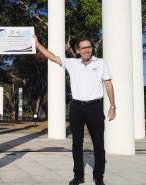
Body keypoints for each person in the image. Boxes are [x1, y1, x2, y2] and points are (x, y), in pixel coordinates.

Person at [35, 36, 116, 185]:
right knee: (76, 143)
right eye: (83, 48)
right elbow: (52, 57)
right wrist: (37, 44)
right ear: (77, 50)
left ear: (92, 48)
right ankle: (78, 176)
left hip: (95, 107)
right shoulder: (72, 63)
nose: (87, 50)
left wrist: (112, 106)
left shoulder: (101, 63)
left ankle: (98, 176)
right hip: (77, 107)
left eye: (89, 47)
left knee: (98, 143)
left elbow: (108, 84)